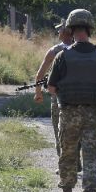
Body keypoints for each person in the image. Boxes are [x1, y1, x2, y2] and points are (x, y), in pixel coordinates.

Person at [47, 9, 96, 192]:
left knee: (67, 155)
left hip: (68, 114)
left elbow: (51, 88)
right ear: (89, 29)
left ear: (70, 28)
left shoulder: (62, 56)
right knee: (92, 158)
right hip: (94, 116)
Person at [33, 20, 74, 163]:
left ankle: (65, 163)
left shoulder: (55, 51)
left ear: (64, 33)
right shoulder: (86, 49)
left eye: (59, 30)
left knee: (59, 130)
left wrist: (38, 92)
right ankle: (78, 162)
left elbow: (40, 74)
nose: (57, 33)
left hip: (59, 97)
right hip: (82, 97)